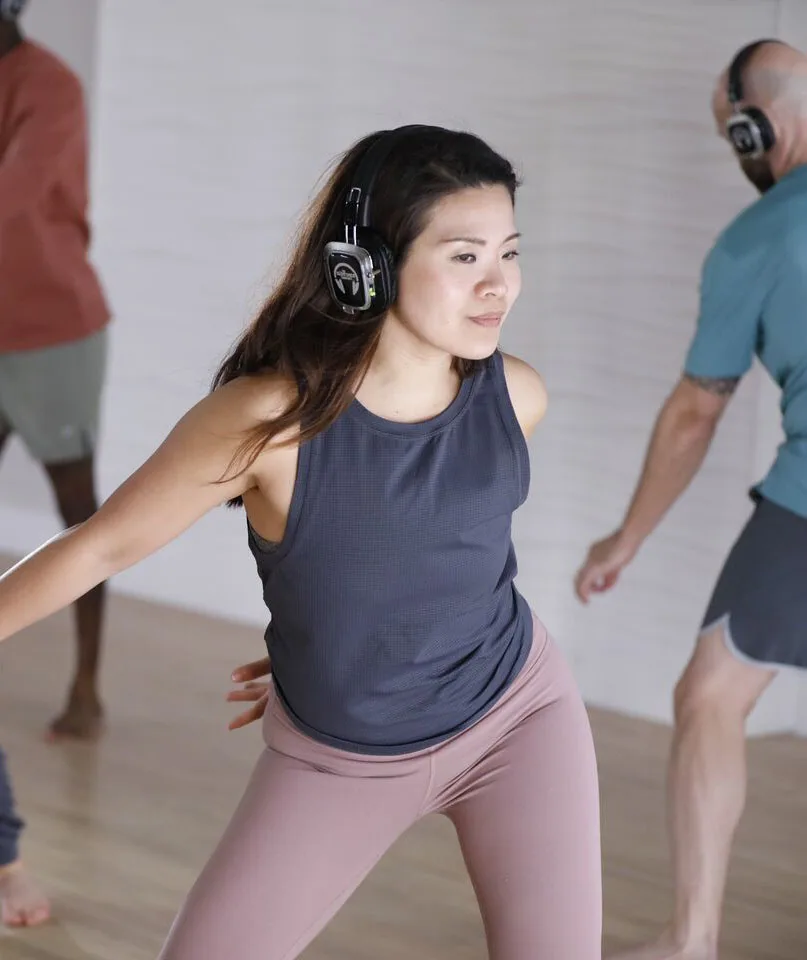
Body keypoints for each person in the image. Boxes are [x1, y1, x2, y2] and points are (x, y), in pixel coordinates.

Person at [0, 124, 602, 958]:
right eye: (465, 257)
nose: (500, 285)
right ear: (367, 267)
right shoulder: (266, 427)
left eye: (509, 252)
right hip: (340, 757)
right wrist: (328, 652)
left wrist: (339, 640)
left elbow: (441, 553)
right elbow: (100, 547)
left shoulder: (517, 397)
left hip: (517, 716)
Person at [575, 38, 807, 960]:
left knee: (710, 691)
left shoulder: (758, 236)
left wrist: (623, 539)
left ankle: (691, 942)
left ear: (758, 127)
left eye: (732, 135)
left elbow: (691, 417)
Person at [0, 0, 111, 741]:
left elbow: (14, 196)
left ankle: (86, 687)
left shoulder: (51, 85)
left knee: (79, 512)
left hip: (51, 330)